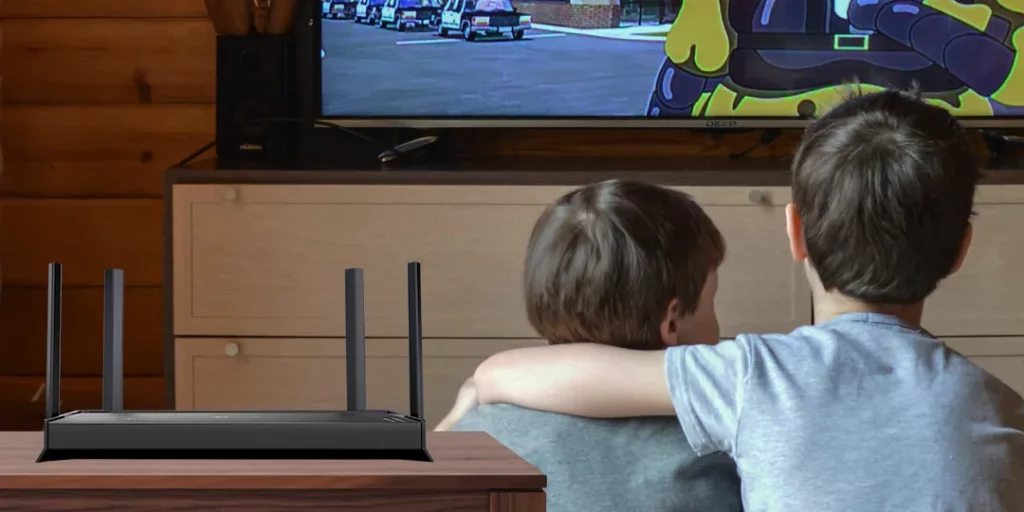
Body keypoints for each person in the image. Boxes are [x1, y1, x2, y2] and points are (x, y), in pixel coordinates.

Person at [447, 89, 1024, 510]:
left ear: (794, 232)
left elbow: (563, 375)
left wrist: (482, 384)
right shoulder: (1003, 410)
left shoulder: (755, 376)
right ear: (959, 250)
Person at [436, 179, 743, 512]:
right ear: (671, 322)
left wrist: (453, 421)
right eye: (712, 301)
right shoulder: (724, 446)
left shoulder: (475, 438)